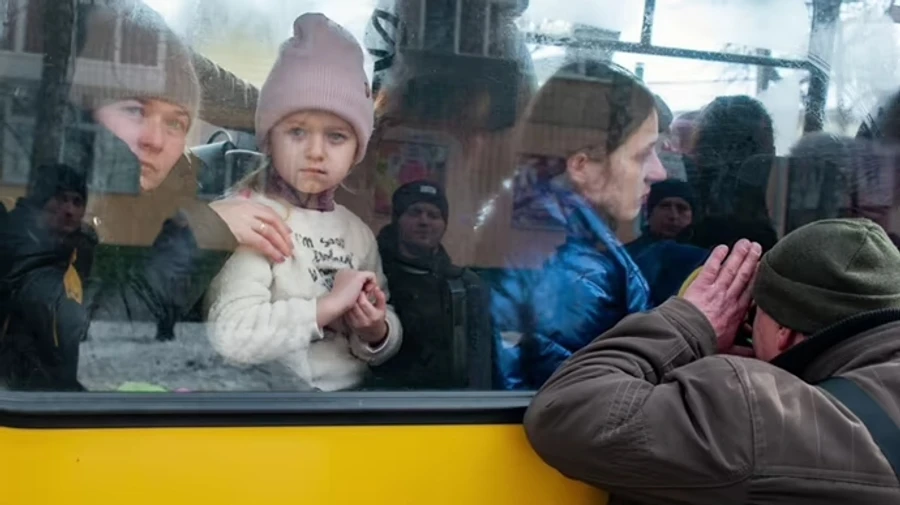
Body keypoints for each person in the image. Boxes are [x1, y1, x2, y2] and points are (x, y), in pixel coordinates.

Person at [525, 219, 900, 504]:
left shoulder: (760, 414)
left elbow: (565, 410)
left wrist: (690, 323)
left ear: (783, 333)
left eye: (753, 318)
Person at [66, 4, 293, 336]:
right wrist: (203, 232)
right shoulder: (55, 218)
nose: (155, 140)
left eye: (176, 123)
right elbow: (90, 344)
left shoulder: (152, 209)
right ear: (85, 116)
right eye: (134, 110)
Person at [205, 13, 403, 392]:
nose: (316, 151)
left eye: (336, 137)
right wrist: (325, 307)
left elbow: (383, 334)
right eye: (297, 132)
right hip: (277, 413)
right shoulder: (253, 219)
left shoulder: (357, 233)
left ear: (356, 151)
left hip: (351, 415)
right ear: (270, 139)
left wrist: (375, 328)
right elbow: (232, 336)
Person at [491, 59, 668, 390]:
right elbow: (609, 402)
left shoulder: (533, 225)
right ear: (582, 166)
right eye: (642, 155)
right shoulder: (571, 270)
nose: (659, 172)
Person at [371, 180, 491, 389]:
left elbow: (480, 365)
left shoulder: (465, 286)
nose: (424, 221)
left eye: (434, 215)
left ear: (444, 225)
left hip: (445, 408)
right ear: (397, 219)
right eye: (415, 212)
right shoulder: (373, 275)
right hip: (378, 403)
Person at [0, 164, 95, 391]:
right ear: (41, 201)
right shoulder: (12, 251)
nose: (69, 210)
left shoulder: (73, 255)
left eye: (77, 202)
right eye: (61, 199)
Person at [626, 179, 707, 306]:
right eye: (665, 206)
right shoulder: (626, 255)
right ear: (649, 213)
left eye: (682, 208)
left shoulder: (708, 256)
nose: (673, 216)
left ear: (692, 216)